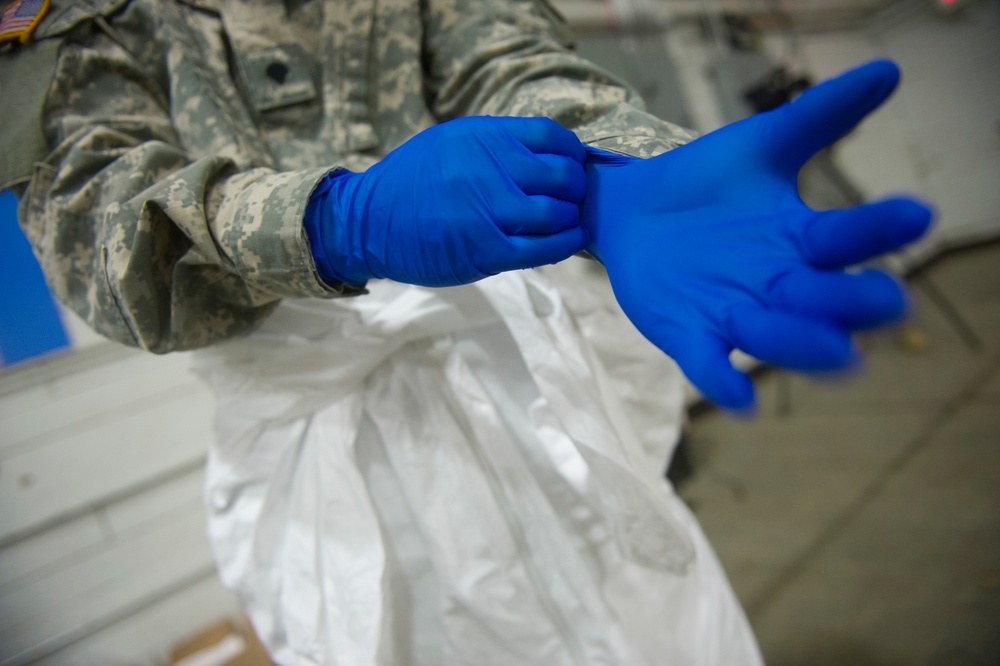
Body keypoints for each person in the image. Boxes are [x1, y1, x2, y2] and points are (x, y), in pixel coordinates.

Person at [1, 1, 932, 664]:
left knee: (647, 622)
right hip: (326, 453)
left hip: (537, 394)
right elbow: (91, 210)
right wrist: (332, 220)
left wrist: (612, 171)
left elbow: (511, 56)